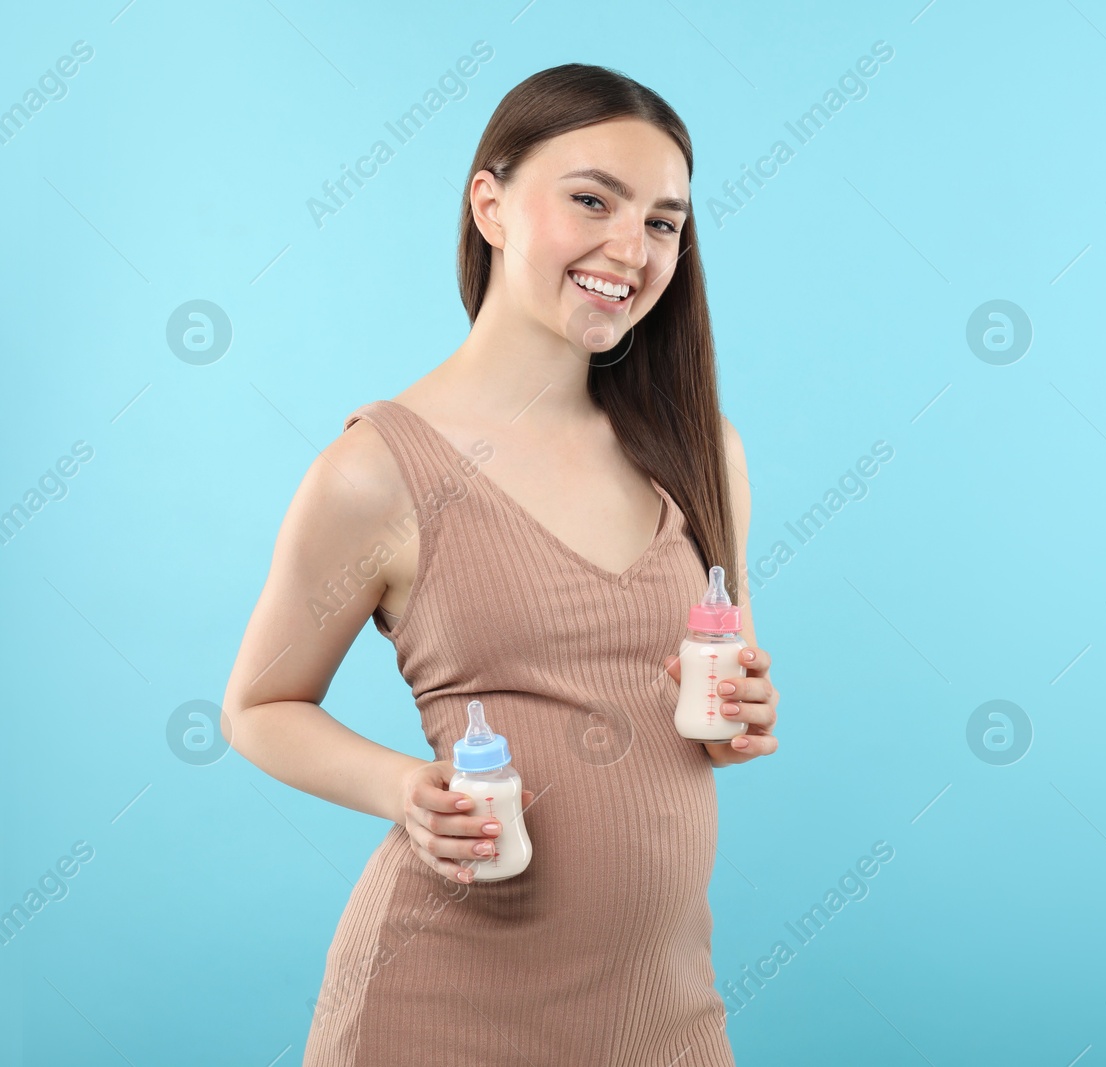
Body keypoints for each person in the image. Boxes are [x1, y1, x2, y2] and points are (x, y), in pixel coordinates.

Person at [221, 62, 778, 1066]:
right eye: (591, 200)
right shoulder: (375, 471)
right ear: (491, 203)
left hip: (661, 1010)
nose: (631, 247)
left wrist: (741, 715)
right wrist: (406, 788)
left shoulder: (704, 448)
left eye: (662, 221)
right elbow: (258, 706)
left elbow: (717, 695)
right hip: (436, 1007)